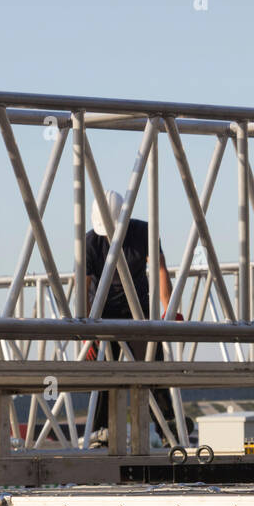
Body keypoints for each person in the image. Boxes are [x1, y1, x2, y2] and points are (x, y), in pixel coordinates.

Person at [85, 190, 188, 447]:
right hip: (103, 315)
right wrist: (88, 332)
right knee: (104, 373)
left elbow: (160, 270)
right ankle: (101, 430)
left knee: (152, 365)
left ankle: (169, 426)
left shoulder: (143, 232)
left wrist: (170, 308)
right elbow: (84, 288)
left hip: (137, 313)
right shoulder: (90, 243)